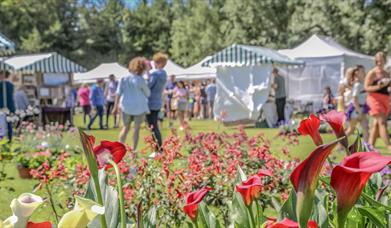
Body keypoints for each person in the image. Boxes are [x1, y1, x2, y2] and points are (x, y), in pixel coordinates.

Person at [113, 57, 150, 150]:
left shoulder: (123, 79)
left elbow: (118, 93)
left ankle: (118, 149)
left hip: (126, 106)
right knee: (136, 129)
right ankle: (133, 150)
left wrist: (115, 106)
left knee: (125, 128)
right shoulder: (141, 80)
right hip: (139, 107)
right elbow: (148, 93)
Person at [364, 52, 391, 150]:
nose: (379, 63)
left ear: (384, 61)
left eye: (381, 61)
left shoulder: (387, 73)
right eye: (377, 61)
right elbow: (366, 88)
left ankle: (370, 148)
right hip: (374, 99)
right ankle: (389, 145)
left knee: (376, 124)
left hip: (385, 100)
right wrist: (379, 86)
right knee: (382, 122)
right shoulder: (372, 73)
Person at [147, 52, 168, 151]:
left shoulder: (155, 74)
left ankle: (158, 148)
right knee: (155, 125)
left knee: (152, 127)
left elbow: (149, 86)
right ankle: (158, 147)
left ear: (158, 62)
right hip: (157, 101)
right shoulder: (164, 73)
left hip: (150, 102)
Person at [345, 65, 369, 142]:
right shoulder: (357, 85)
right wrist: (359, 111)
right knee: (351, 130)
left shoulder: (361, 84)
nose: (364, 73)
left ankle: (366, 147)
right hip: (356, 110)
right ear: (357, 73)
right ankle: (340, 145)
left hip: (361, 109)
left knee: (365, 128)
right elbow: (354, 99)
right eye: (362, 71)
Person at [0, 70, 15, 142]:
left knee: (3, 126)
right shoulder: (10, 85)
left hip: (3, 108)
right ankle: (9, 140)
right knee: (9, 125)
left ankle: (5, 141)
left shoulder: (2, 84)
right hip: (10, 108)